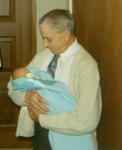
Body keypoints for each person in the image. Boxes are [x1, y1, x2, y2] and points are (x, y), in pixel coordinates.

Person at [7, 9, 102, 150]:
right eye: (43, 38)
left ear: (65, 35)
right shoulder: (42, 57)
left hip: (71, 138)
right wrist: (27, 96)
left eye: (48, 39)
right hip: (41, 136)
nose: (45, 44)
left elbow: (87, 120)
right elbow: (12, 86)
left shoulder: (86, 65)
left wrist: (42, 119)